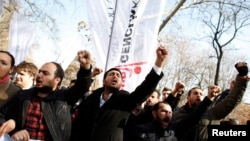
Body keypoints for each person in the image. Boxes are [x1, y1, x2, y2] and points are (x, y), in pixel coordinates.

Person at [71, 46, 168, 141]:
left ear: (121, 83)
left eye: (118, 76)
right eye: (111, 74)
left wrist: (158, 64)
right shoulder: (91, 99)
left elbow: (145, 89)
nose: (115, 77)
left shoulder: (124, 100)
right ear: (104, 81)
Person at [0, 50, 93, 141]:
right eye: (39, 71)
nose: (39, 75)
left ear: (57, 80)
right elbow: (2, 116)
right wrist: (14, 130)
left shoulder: (65, 97)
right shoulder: (22, 95)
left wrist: (85, 69)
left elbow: (82, 87)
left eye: (45, 73)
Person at [172, 62, 249, 141]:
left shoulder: (211, 113)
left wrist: (241, 78)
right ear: (188, 98)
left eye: (201, 94)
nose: (199, 95)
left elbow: (231, 101)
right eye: (195, 93)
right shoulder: (175, 115)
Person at [136, 85, 218, 141]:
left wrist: (209, 98)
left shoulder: (175, 130)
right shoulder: (140, 130)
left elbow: (193, 117)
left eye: (170, 112)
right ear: (154, 113)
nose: (167, 114)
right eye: (164, 111)